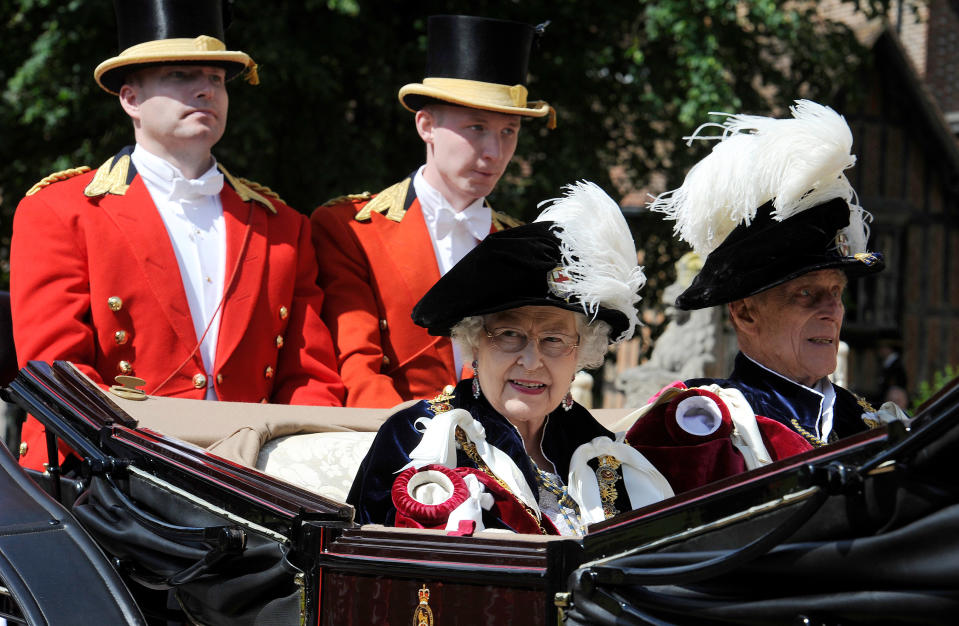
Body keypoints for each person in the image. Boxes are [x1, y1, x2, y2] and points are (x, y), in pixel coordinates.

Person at [9, 0, 344, 471]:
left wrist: (302, 470)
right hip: (103, 479)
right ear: (130, 99)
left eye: (215, 78)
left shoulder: (283, 227)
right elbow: (59, 376)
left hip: (258, 484)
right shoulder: (61, 212)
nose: (205, 90)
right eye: (181, 76)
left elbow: (310, 380)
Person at [348, 182, 673, 536]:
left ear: (581, 351)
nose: (531, 361)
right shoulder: (413, 436)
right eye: (509, 335)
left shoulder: (600, 447)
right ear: (475, 343)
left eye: (553, 339)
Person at [311, 15, 556, 408]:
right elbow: (356, 366)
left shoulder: (524, 244)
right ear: (425, 125)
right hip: (390, 445)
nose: (494, 151)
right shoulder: (351, 228)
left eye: (508, 131)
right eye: (476, 127)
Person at [645, 100, 889, 449]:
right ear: (745, 313)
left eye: (836, 292)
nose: (831, 310)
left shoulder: (867, 420)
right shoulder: (702, 425)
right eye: (806, 293)